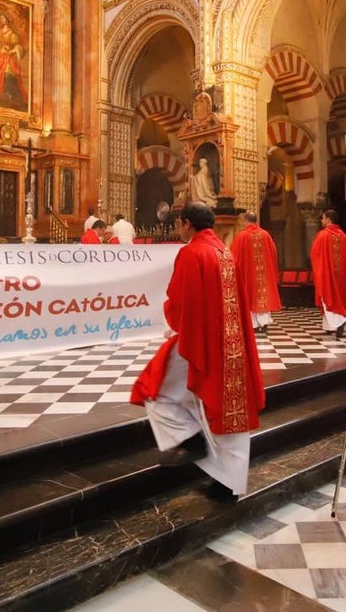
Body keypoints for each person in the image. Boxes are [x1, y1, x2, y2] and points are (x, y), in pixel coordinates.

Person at [130, 202, 266, 500]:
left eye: (180, 223)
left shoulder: (192, 252)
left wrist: (174, 321)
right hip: (230, 344)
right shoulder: (224, 251)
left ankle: (189, 439)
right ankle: (228, 482)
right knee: (228, 411)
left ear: (187, 223)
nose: (179, 228)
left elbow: (181, 301)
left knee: (154, 388)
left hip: (201, 343)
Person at [230, 212, 281, 333]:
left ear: (245, 221)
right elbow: (274, 253)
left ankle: (254, 325)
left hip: (249, 274)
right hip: (263, 274)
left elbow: (233, 256)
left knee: (250, 296)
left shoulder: (241, 236)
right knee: (263, 294)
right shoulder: (266, 235)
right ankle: (264, 323)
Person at [310, 208, 346, 338]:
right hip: (341, 276)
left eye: (323, 218)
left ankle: (340, 322)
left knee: (328, 298)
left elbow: (314, 253)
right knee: (337, 298)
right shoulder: (343, 236)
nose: (321, 221)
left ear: (328, 220)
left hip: (327, 274)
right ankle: (329, 326)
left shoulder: (323, 235)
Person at [0, 12, 26, 101]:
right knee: (0, 73)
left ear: (8, 20)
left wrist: (12, 51)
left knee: (8, 72)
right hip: (1, 54)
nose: (2, 20)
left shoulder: (11, 33)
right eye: (1, 18)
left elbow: (18, 46)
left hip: (9, 57)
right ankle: (3, 92)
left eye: (4, 18)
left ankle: (12, 93)